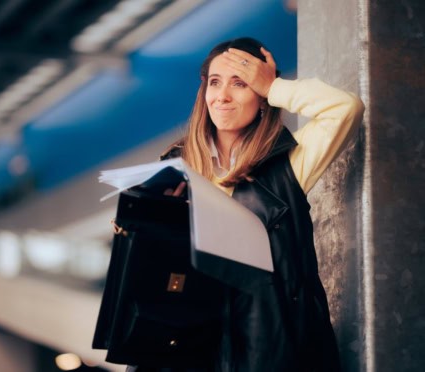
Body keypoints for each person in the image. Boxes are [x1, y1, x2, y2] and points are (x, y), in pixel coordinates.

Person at [129, 37, 365, 371]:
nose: (222, 96)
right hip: (193, 352)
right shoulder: (174, 169)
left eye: (240, 83)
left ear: (262, 97)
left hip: (273, 351)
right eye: (215, 82)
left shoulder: (289, 165)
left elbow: (346, 109)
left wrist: (275, 86)